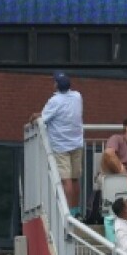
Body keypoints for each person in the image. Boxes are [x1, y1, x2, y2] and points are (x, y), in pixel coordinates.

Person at [36, 71, 84, 215]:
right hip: (76, 143)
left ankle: (66, 214)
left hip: (60, 146)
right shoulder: (77, 96)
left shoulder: (54, 101)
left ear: (56, 84)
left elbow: (43, 119)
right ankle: (76, 212)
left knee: (65, 180)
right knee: (75, 179)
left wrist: (35, 116)